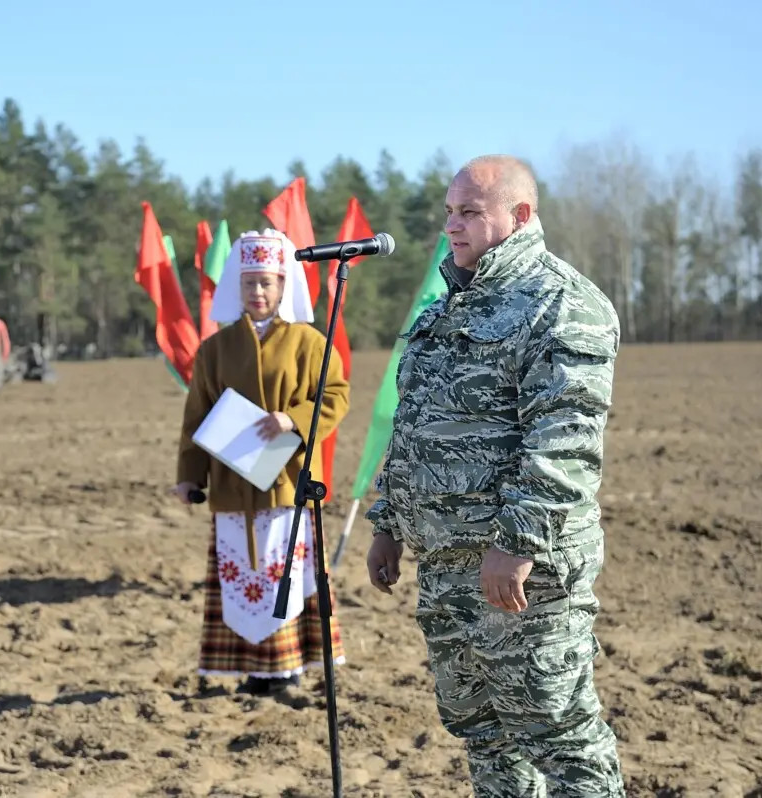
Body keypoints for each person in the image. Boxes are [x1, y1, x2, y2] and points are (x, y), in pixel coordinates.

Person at [365, 155, 626, 796]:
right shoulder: (442, 313)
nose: (452, 226)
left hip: (522, 576)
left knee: (561, 738)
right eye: (450, 212)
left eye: (470, 212)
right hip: (448, 571)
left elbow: (562, 444)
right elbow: (413, 431)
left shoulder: (562, 305)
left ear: (520, 215)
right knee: (486, 740)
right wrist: (388, 525)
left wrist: (516, 543)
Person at [173, 228, 349, 697]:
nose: (258, 292)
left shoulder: (310, 343)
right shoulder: (214, 349)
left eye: (267, 282)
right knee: (241, 580)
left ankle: (287, 668)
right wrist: (189, 478)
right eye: (250, 283)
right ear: (238, 286)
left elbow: (336, 396)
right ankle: (249, 670)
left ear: (283, 284)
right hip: (232, 487)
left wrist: (293, 420)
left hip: (287, 484)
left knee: (281, 577)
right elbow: (197, 415)